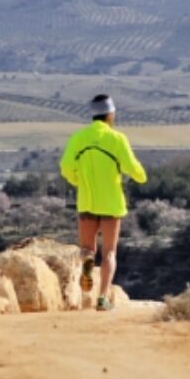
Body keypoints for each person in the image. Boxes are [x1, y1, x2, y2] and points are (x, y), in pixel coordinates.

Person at [59, 94, 147, 311]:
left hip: (87, 200)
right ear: (111, 114)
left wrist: (78, 180)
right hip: (111, 203)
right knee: (109, 252)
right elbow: (134, 169)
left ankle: (87, 267)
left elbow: (66, 166)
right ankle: (102, 298)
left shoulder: (78, 138)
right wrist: (141, 176)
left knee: (87, 249)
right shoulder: (117, 139)